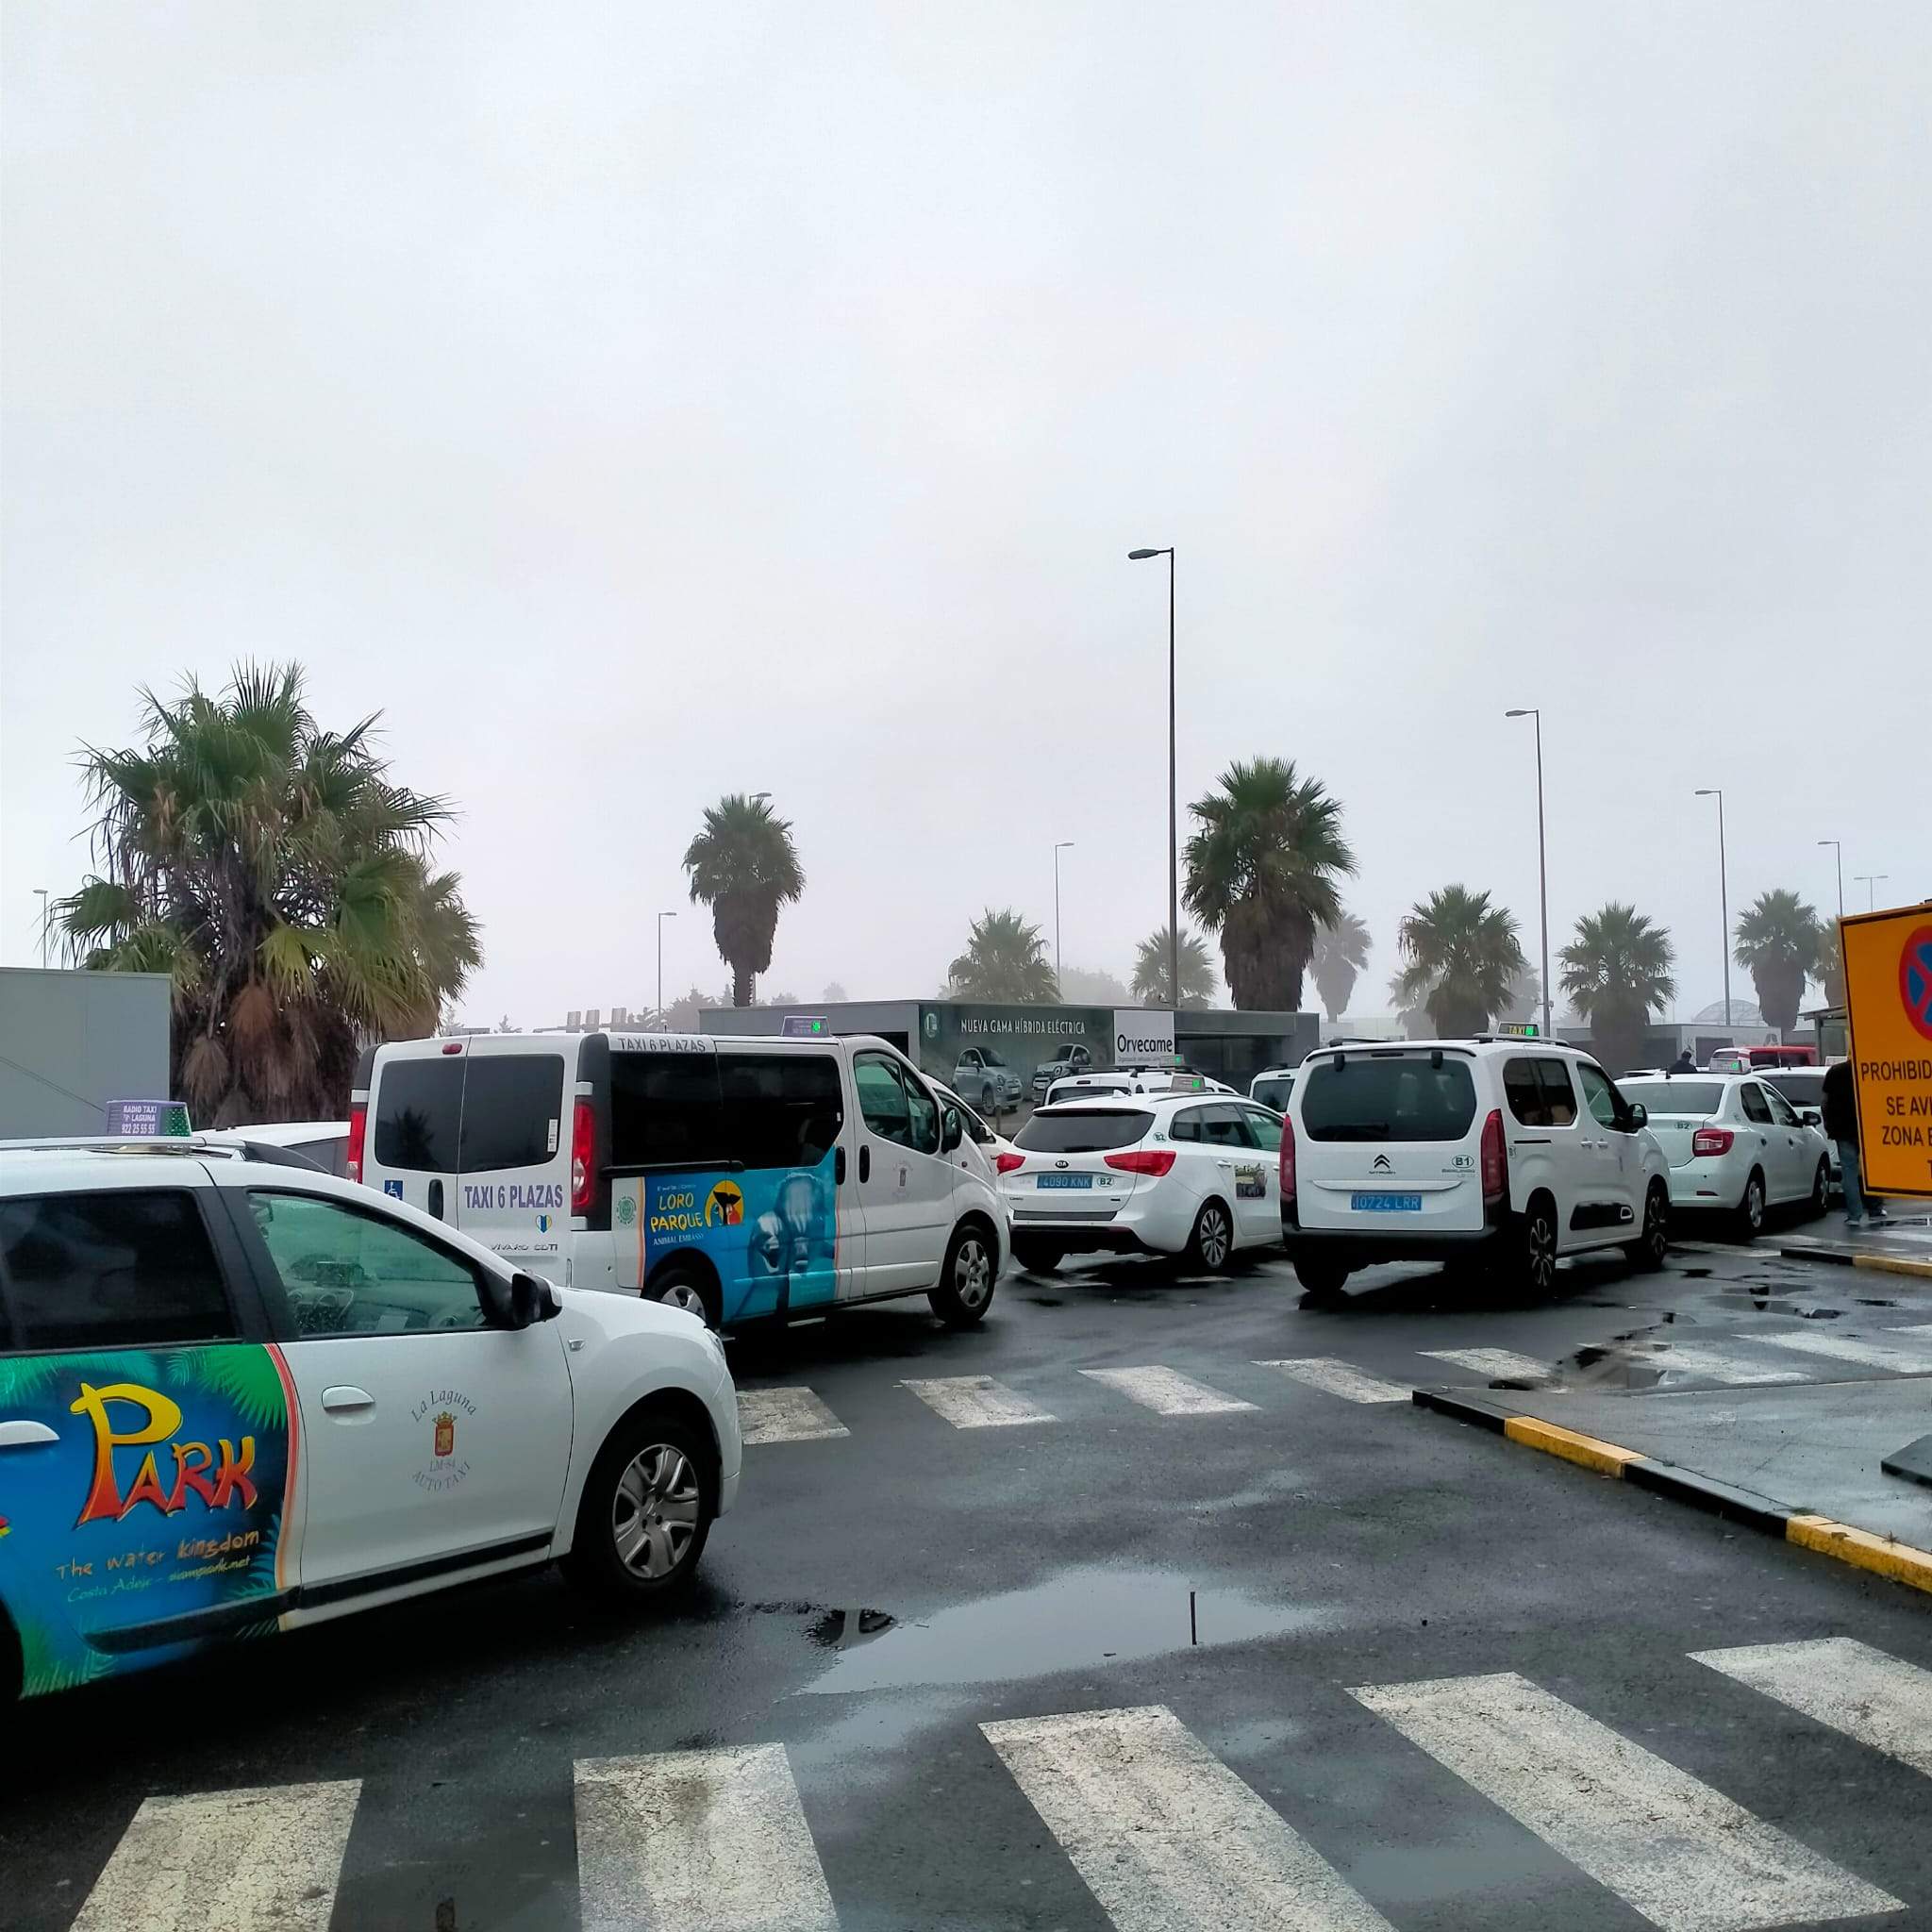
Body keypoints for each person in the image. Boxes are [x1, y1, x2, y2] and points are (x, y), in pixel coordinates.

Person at [1822, 1058, 1889, 1227]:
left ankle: (1854, 1215)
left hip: (1843, 1131)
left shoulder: (1835, 1072)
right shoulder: (1869, 1069)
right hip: (1867, 1129)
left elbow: (1825, 1102)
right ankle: (1875, 1208)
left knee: (1849, 1172)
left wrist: (1829, 1125)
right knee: (1871, 1170)